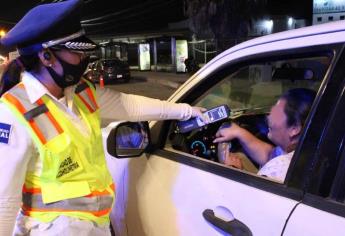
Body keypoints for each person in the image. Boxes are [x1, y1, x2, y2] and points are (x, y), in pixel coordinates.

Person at [0, 1, 206, 235]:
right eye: (76, 52)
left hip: (95, 225)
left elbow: (129, 105)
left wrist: (186, 111)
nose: (83, 59)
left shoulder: (80, 92)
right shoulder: (13, 112)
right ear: (46, 56)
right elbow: (4, 200)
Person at [213, 88, 316, 182]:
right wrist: (238, 132)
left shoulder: (277, 170)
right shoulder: (304, 152)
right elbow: (271, 155)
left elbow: (247, 199)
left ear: (294, 129)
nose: (269, 116)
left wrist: (232, 169)